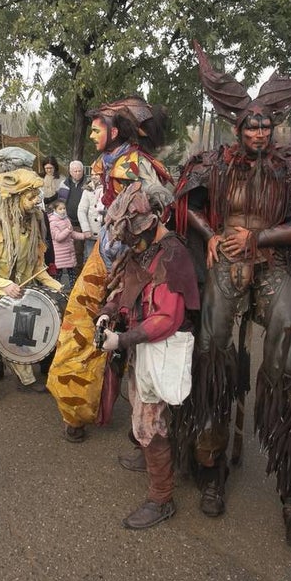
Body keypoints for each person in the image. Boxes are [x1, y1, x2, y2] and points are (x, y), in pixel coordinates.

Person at [174, 43, 291, 550]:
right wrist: (211, 235)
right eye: (251, 126)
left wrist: (259, 239)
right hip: (225, 269)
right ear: (237, 128)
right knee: (212, 356)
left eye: (265, 125)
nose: (259, 132)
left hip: (273, 265)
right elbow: (188, 202)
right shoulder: (213, 162)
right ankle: (211, 465)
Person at [47, 97, 171, 443]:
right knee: (80, 327)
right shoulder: (106, 161)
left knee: (139, 336)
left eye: (96, 128)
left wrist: (148, 206)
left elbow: (163, 200)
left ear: (115, 130)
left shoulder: (136, 163)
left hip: (138, 261)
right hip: (104, 256)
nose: (91, 135)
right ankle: (76, 409)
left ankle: (147, 425)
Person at [95, 181, 199, 529]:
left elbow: (167, 318)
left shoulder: (172, 254)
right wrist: (108, 313)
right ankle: (148, 456)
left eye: (137, 235)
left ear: (155, 219)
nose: (133, 243)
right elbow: (125, 289)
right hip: (138, 345)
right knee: (141, 411)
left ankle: (161, 498)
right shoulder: (141, 251)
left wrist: (121, 341)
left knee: (148, 421)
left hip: (161, 349)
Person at [0, 168, 62, 413]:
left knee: (19, 336)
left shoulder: (32, 229)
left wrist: (60, 287)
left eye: (36, 196)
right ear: (16, 199)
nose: (36, 201)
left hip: (18, 291)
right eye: (30, 196)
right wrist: (4, 284)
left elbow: (37, 267)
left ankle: (26, 379)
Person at [58, 160, 99, 263]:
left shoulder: (89, 184)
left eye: (79, 171)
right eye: (75, 171)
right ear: (70, 172)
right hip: (71, 222)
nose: (77, 173)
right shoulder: (64, 184)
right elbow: (60, 202)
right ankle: (77, 273)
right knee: (75, 251)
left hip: (88, 222)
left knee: (88, 251)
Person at [48, 199, 86, 295]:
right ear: (55, 210)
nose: (63, 211)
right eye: (60, 209)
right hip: (60, 254)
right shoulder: (53, 222)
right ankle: (57, 290)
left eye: (64, 208)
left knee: (72, 272)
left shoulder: (66, 219)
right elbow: (58, 238)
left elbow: (72, 233)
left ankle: (74, 290)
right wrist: (67, 230)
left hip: (69, 252)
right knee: (59, 274)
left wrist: (83, 236)